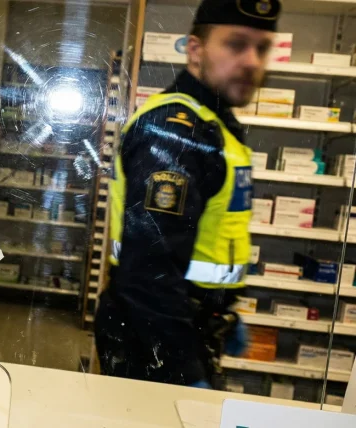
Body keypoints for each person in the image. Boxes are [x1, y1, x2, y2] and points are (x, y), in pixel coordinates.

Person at [95, 0, 281, 388]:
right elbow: (148, 271)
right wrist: (184, 370)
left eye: (262, 48)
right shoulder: (178, 130)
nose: (251, 61)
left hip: (183, 323)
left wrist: (219, 309)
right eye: (236, 44)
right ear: (195, 50)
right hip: (154, 338)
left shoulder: (212, 122)